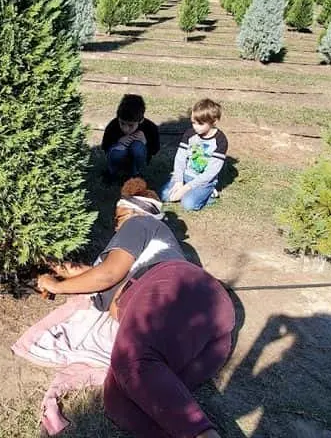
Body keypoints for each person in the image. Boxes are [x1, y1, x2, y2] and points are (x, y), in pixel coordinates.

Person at [37, 178, 235, 438]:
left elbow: (108, 274)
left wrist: (57, 287)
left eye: (118, 218)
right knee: (119, 403)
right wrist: (49, 271)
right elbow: (92, 274)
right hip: (206, 331)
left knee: (132, 360)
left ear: (133, 211)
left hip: (175, 287)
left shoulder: (141, 224)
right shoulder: (131, 246)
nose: (115, 224)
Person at [161, 98, 228, 211]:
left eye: (200, 124)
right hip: (186, 175)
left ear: (214, 121)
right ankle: (196, 194)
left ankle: (209, 193)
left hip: (203, 181)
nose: (195, 127)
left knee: (188, 204)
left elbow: (211, 172)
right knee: (164, 195)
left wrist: (185, 188)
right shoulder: (190, 134)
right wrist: (178, 181)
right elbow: (180, 159)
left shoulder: (220, 141)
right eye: (193, 122)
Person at [101, 94, 161, 182]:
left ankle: (135, 174)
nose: (125, 128)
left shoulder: (150, 127)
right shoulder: (113, 125)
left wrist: (145, 143)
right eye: (122, 123)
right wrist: (118, 142)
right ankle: (112, 172)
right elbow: (105, 146)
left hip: (139, 159)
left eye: (130, 125)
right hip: (118, 158)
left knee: (138, 147)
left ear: (140, 121)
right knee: (118, 151)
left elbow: (155, 149)